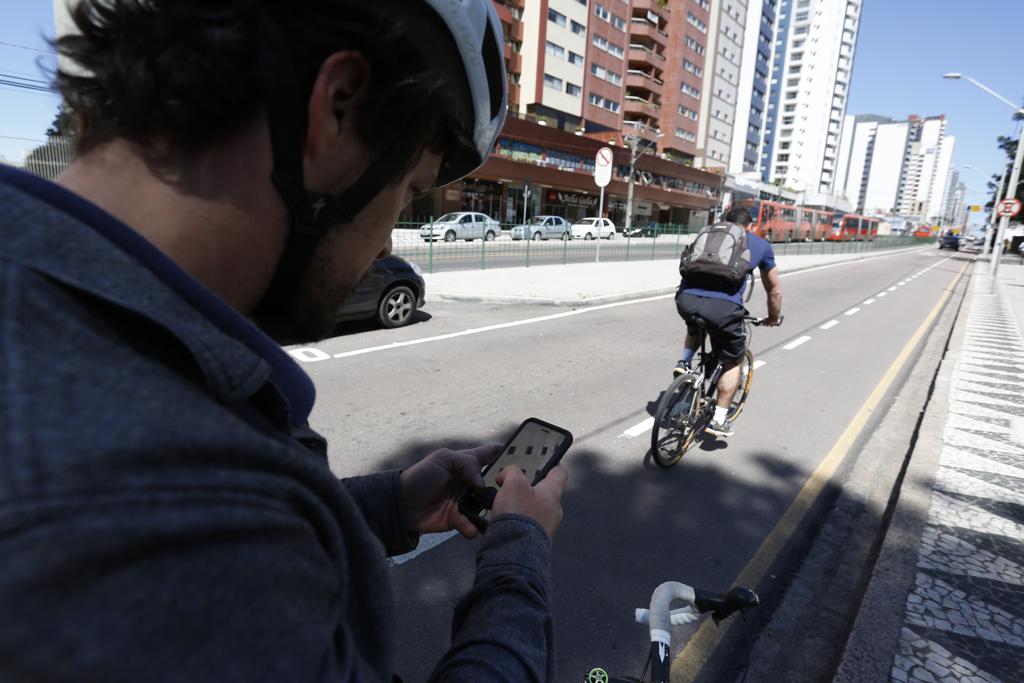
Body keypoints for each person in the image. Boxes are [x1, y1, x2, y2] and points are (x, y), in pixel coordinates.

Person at [0, 1, 568, 681]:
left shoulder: (55, 316)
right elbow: (222, 550)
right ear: (338, 104)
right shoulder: (174, 521)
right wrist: (518, 555)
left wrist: (389, 504)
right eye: (408, 190)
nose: (388, 239)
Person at [674, 208, 783, 437]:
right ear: (750, 225)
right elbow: (774, 291)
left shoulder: (709, 234)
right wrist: (773, 318)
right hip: (723, 309)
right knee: (733, 360)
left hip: (685, 300)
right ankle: (719, 420)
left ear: (726, 222)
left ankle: (684, 362)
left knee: (696, 323)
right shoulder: (759, 244)